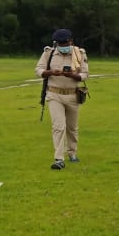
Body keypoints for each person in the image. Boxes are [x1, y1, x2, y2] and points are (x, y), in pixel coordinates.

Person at [34, 28, 89, 170]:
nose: (63, 47)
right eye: (60, 44)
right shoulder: (49, 53)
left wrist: (72, 75)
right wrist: (51, 72)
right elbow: (38, 70)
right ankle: (59, 159)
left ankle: (72, 152)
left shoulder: (79, 53)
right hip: (54, 95)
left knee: (72, 127)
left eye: (65, 44)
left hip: (72, 95)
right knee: (58, 127)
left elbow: (84, 74)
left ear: (71, 41)